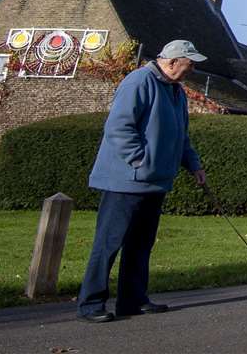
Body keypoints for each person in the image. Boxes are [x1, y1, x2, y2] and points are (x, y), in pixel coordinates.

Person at [76, 40, 209, 322]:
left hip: (154, 182)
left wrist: (193, 164)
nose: (192, 69)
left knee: (140, 244)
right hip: (125, 181)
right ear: (173, 62)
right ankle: (90, 304)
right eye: (190, 63)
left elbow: (180, 135)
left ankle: (132, 300)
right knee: (108, 243)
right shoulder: (138, 81)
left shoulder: (176, 91)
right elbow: (118, 127)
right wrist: (140, 161)